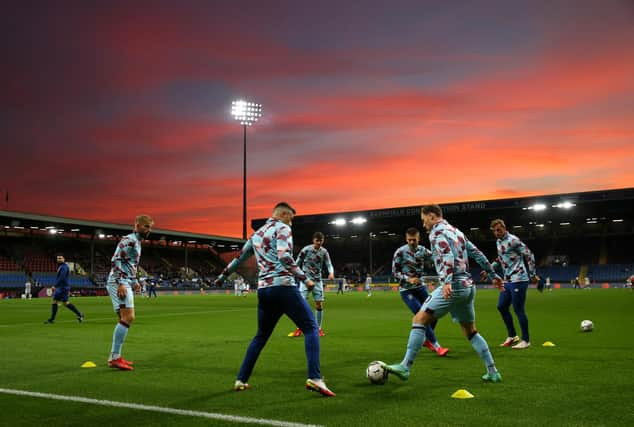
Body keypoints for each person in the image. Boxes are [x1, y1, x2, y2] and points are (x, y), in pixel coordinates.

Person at [215, 202, 335, 396]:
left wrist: (222, 277)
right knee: (311, 328)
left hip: (264, 291)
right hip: (283, 287)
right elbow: (284, 256)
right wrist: (305, 278)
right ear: (283, 214)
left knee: (261, 336)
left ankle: (241, 379)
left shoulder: (257, 234)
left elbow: (239, 257)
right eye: (291, 218)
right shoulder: (283, 228)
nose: (291, 223)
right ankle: (315, 378)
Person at [383, 204, 503, 383]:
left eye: (424, 221)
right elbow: (477, 254)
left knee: (419, 320)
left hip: (453, 285)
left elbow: (447, 256)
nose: (423, 226)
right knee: (470, 331)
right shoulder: (456, 231)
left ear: (432, 216)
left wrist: (446, 282)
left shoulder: (436, 233)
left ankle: (405, 367)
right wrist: (494, 275)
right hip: (469, 286)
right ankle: (493, 372)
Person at [106, 214, 154, 371]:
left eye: (150, 227)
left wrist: (135, 282)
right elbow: (115, 259)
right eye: (146, 226)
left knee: (123, 318)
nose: (149, 230)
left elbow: (130, 264)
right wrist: (121, 282)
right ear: (137, 225)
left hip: (125, 281)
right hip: (119, 281)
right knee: (129, 317)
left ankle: (116, 356)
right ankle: (114, 358)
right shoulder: (129, 240)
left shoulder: (137, 242)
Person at [392, 228, 449, 357]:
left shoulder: (423, 250)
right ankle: (437, 346)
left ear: (419, 238)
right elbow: (395, 272)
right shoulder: (400, 252)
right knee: (421, 315)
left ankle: (426, 340)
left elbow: (436, 258)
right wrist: (409, 279)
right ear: (406, 239)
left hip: (420, 287)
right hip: (407, 290)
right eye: (409, 240)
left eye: (414, 239)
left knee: (433, 312)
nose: (412, 242)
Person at [483, 219, 537, 350]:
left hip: (519, 278)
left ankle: (526, 340)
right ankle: (512, 336)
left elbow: (529, 254)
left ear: (504, 228)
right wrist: (488, 269)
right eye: (494, 231)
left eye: (499, 230)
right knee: (501, 306)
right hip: (507, 280)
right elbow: (500, 258)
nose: (496, 232)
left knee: (518, 309)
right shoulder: (499, 242)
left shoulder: (513, 240)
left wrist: (533, 274)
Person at [289, 232, 334, 337]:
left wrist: (331, 272)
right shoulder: (306, 250)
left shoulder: (324, 252)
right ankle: (299, 328)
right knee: (301, 304)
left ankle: (318, 329)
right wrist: (295, 273)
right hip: (305, 280)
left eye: (321, 240)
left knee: (319, 304)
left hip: (317, 281)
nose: (319, 243)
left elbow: (328, 264)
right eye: (317, 240)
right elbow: (297, 262)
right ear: (313, 240)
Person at [44, 255, 84, 324]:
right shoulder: (62, 267)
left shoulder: (64, 267)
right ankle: (80, 314)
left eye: (60, 258)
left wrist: (55, 286)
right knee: (63, 303)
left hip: (62, 288)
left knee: (57, 302)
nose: (59, 259)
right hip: (62, 287)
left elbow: (62, 278)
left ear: (64, 259)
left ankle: (52, 319)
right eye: (58, 258)